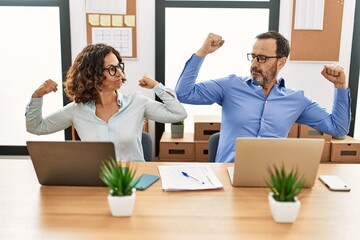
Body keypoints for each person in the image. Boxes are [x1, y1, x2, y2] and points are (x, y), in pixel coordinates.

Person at [175, 31, 351, 163]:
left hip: (270, 180)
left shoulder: (297, 100)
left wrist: (340, 86)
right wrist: (202, 52)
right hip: (227, 176)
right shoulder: (230, 86)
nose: (254, 64)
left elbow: (338, 129)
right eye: (253, 57)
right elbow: (183, 93)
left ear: (281, 62)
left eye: (262, 58)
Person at [26, 43, 187, 162]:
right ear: (92, 74)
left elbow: (178, 114)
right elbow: (36, 127)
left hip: (134, 182)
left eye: (119, 67)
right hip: (97, 183)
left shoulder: (137, 102)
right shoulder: (77, 111)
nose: (120, 73)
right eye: (112, 69)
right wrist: (37, 96)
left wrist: (157, 87)